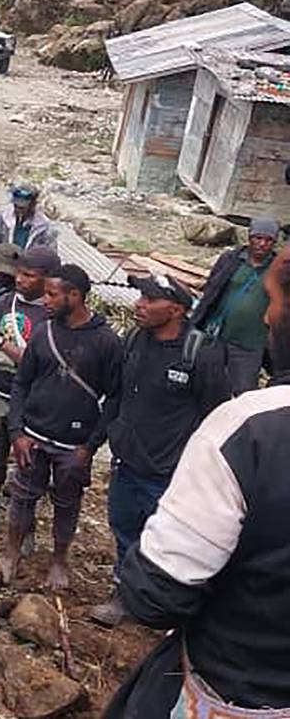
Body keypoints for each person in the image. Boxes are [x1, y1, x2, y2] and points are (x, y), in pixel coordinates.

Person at [108, 244, 290, 718]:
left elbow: (155, 596)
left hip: (235, 692)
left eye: (273, 303)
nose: (267, 320)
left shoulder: (249, 429)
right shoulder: (135, 342)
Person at [87, 275, 231, 627]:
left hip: (170, 473)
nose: (140, 304)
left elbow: (217, 416)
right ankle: (124, 593)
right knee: (124, 530)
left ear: (177, 310)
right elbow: (117, 395)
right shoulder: (135, 339)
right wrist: (98, 442)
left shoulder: (201, 353)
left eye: (151, 300)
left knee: (169, 543)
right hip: (128, 462)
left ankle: (164, 608)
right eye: (141, 297)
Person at [2, 264, 123, 591]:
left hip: (74, 443)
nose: (45, 300)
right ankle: (12, 552)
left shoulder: (106, 342)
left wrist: (90, 446)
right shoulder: (43, 332)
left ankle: (59, 559)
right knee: (23, 497)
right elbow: (22, 383)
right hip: (34, 436)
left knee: (67, 503)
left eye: (52, 294)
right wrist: (17, 432)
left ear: (75, 295)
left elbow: (114, 399)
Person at [0, 246, 60, 534]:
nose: (20, 280)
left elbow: (45, 361)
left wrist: (4, 345)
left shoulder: (52, 313)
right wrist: (22, 357)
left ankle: (25, 526)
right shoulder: (5, 302)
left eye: (29, 275)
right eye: (19, 273)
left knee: (29, 462)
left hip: (34, 399)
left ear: (47, 279)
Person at [193, 217, 279, 394]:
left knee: (243, 391)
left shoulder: (279, 270)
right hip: (216, 335)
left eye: (269, 240)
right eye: (258, 238)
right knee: (205, 382)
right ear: (249, 237)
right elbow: (211, 290)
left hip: (250, 343)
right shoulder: (230, 259)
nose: (262, 244)